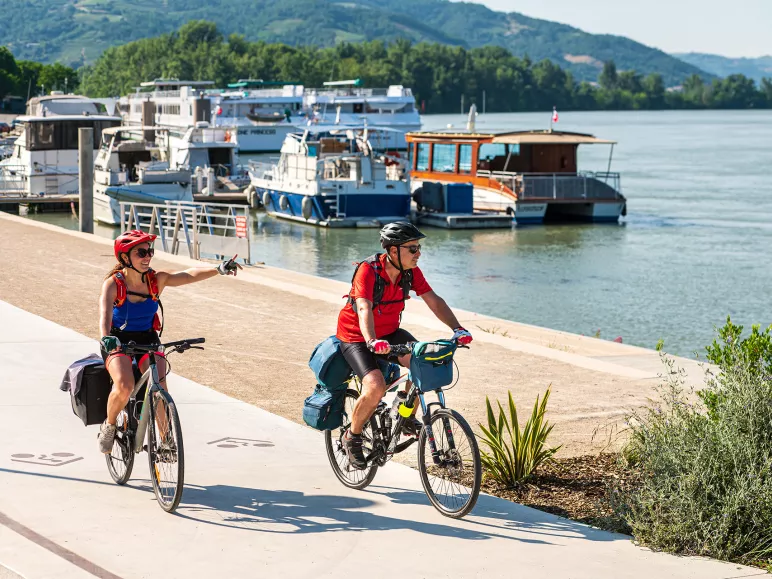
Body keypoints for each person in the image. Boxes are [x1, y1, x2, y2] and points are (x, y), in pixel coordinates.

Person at [336, 222, 473, 469]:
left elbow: (434, 300)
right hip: (357, 336)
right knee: (375, 386)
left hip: (389, 333)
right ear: (393, 250)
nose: (418, 253)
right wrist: (371, 340)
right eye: (412, 248)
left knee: (422, 364)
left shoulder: (410, 272)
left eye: (418, 247)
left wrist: (458, 329)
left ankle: (405, 413)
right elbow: (364, 307)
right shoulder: (368, 271)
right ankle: (352, 437)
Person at [97, 230, 242, 454]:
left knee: (159, 388)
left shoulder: (157, 280)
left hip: (148, 338)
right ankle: (109, 424)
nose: (148, 257)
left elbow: (189, 274)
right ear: (125, 257)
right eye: (141, 252)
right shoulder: (113, 284)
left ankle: (165, 441)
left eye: (150, 252)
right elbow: (104, 316)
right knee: (124, 386)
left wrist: (218, 269)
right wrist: (107, 338)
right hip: (117, 340)